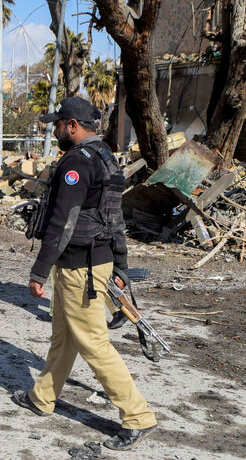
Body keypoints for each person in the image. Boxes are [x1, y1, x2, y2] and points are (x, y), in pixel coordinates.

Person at [12, 97, 157, 451]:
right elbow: (115, 218)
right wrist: (120, 264)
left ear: (73, 126)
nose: (55, 131)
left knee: (93, 344)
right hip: (90, 263)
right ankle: (42, 397)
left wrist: (39, 271)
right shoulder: (106, 157)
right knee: (63, 337)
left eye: (58, 125)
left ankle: (137, 416)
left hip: (81, 269)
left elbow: (63, 221)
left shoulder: (77, 162)